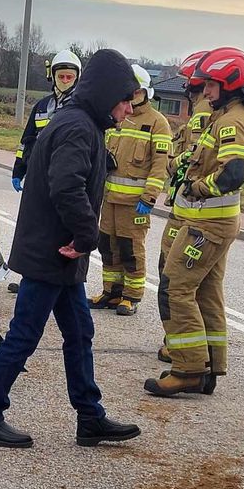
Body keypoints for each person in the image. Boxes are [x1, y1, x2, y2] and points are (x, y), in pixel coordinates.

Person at [0, 49, 143, 448]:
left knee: (80, 332)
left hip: (62, 256)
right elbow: (67, 187)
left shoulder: (84, 124)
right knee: (24, 336)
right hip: (54, 253)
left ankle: (90, 417)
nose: (127, 111)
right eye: (124, 101)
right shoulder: (78, 127)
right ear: (105, 95)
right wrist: (87, 238)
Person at [145, 47, 244, 397]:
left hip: (207, 224)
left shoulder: (232, 121)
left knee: (175, 287)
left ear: (228, 84)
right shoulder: (225, 115)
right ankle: (209, 365)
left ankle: (189, 368)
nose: (204, 92)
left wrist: (196, 187)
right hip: (210, 222)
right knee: (206, 294)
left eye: (210, 85)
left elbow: (232, 174)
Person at [89, 65, 172, 315]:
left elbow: (160, 165)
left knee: (131, 249)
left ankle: (131, 296)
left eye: (136, 92)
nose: (131, 98)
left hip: (135, 203)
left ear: (146, 92)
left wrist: (149, 197)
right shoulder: (116, 117)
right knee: (108, 246)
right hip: (110, 199)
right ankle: (110, 291)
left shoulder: (158, 123)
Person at [157, 51, 211, 362]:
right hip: (190, 206)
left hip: (189, 208)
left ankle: (180, 346)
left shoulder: (204, 115)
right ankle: (193, 348)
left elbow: (190, 159)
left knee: (174, 277)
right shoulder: (205, 112)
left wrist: (171, 162)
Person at [11, 50, 82, 191]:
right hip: (38, 175)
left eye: (70, 77)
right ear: (52, 76)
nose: (65, 81)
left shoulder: (81, 109)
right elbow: (26, 142)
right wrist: (18, 171)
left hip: (65, 180)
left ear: (77, 78)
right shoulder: (41, 106)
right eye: (61, 76)